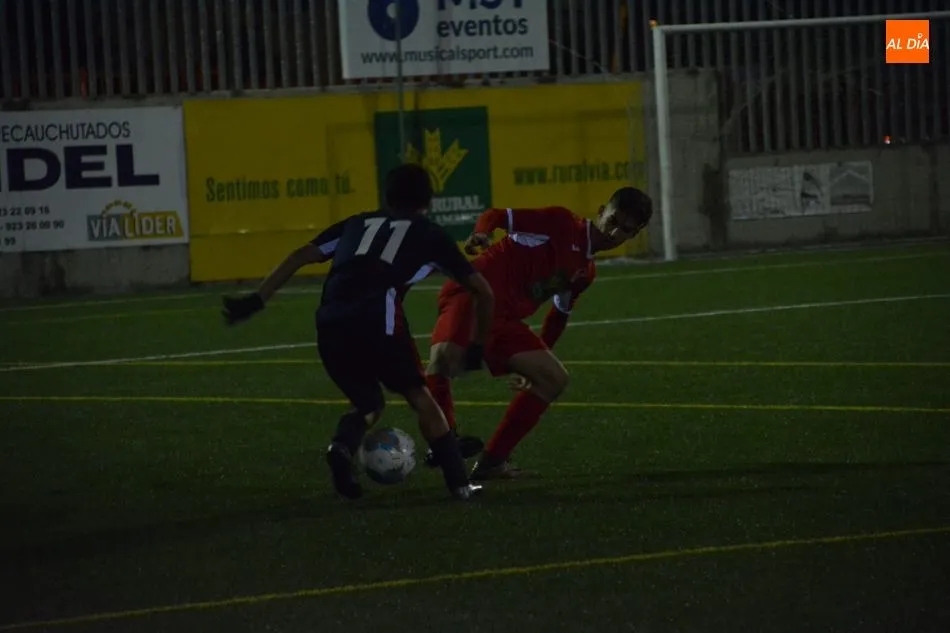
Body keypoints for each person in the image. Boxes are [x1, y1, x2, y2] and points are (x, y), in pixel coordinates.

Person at [221, 164, 495, 501]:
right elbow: (483, 291)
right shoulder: (430, 234)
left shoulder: (357, 222)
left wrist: (257, 299)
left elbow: (300, 256)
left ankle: (341, 448)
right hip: (376, 320)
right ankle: (460, 486)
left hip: (330, 321)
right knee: (420, 398)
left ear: (387, 196)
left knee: (368, 403)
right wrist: (477, 346)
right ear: (428, 199)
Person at [422, 187, 653, 480]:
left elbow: (558, 316)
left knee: (553, 378)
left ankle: (493, 462)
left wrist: (539, 357)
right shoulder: (561, 223)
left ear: (634, 235)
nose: (614, 232)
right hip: (473, 295)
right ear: (601, 211)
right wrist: (481, 233)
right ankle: (443, 442)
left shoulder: (585, 272)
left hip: (504, 320)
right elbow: (496, 216)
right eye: (613, 220)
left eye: (625, 229)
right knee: (444, 360)